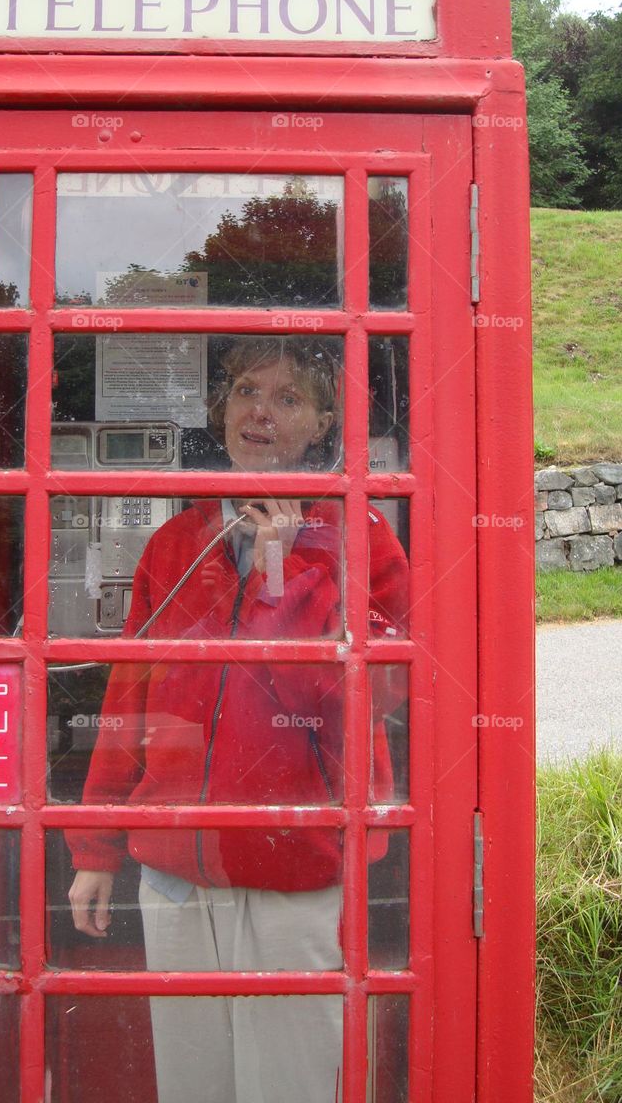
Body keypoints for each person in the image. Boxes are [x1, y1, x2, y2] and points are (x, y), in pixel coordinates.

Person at [67, 336, 409, 1103]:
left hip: (294, 857)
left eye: (289, 398)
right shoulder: (178, 540)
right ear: (221, 407)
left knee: (289, 1084)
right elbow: (131, 694)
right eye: (247, 391)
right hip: (177, 864)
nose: (261, 411)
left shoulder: (360, 539)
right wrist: (95, 844)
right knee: (194, 1084)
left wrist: (282, 572)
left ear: (324, 423)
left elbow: (373, 695)